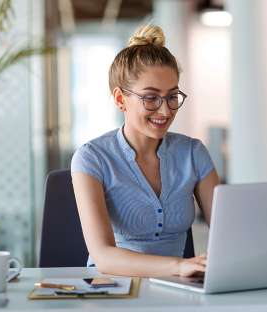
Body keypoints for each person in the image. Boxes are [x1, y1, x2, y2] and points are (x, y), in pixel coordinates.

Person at [70, 24, 219, 278]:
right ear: (120, 99)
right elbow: (103, 256)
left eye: (172, 96)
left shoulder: (193, 153)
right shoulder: (91, 158)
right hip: (113, 288)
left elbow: (229, 235)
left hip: (178, 289)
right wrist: (178, 266)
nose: (165, 111)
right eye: (151, 98)